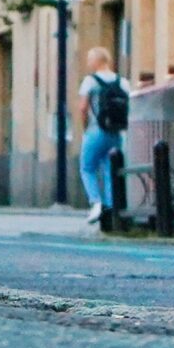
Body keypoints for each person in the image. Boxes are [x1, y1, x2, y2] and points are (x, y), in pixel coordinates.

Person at [77, 45, 130, 225]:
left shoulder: (90, 81)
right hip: (116, 132)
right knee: (110, 169)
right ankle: (110, 208)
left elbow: (83, 107)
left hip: (95, 130)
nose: (88, 62)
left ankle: (96, 203)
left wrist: (85, 128)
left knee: (87, 167)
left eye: (89, 59)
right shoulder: (122, 82)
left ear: (96, 61)